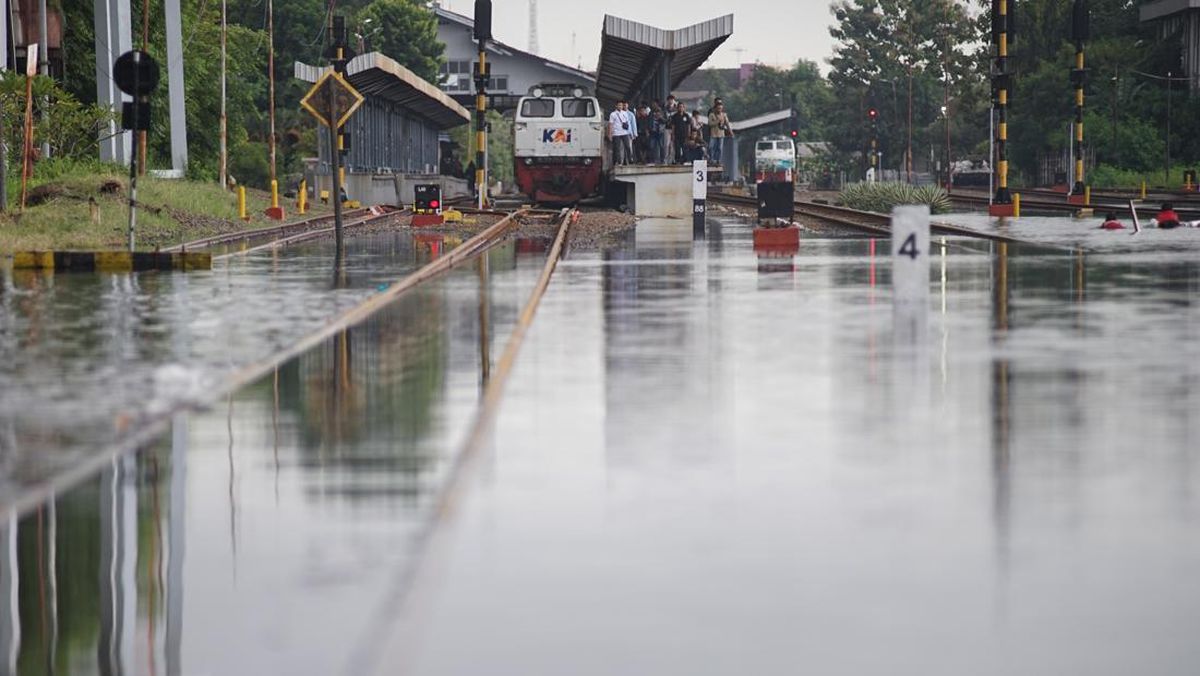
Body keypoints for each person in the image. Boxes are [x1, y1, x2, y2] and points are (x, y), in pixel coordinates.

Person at [608, 100, 636, 166]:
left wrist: (631, 133)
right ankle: (618, 161)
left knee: (627, 146)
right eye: (619, 105)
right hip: (616, 133)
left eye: (621, 105)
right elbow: (610, 124)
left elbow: (627, 123)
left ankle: (630, 160)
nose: (620, 106)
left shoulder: (625, 113)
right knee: (617, 148)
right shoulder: (613, 114)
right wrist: (610, 134)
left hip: (625, 132)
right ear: (616, 106)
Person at [707, 101, 733, 166]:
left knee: (720, 148)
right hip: (713, 134)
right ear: (715, 108)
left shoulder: (724, 115)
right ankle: (711, 159)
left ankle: (718, 160)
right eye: (718, 108)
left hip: (721, 134)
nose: (719, 110)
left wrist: (730, 131)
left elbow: (727, 124)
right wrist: (717, 121)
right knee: (711, 147)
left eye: (721, 108)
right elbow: (710, 123)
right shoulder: (711, 115)